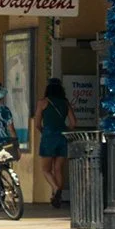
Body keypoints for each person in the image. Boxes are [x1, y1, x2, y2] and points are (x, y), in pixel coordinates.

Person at [35, 78, 76, 208]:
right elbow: (73, 123)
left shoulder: (42, 102)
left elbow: (37, 124)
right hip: (62, 136)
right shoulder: (65, 103)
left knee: (46, 169)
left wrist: (44, 131)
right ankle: (57, 197)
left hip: (48, 137)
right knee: (58, 169)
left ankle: (55, 188)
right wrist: (65, 130)